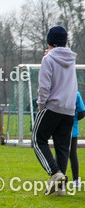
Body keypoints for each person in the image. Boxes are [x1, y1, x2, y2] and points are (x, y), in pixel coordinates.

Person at [31, 27, 77, 194]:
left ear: (49, 41)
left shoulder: (48, 59)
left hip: (52, 106)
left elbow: (44, 87)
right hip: (68, 108)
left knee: (37, 140)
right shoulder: (71, 59)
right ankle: (60, 188)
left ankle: (54, 173)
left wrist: (41, 106)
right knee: (62, 147)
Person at [69, 91, 85, 191]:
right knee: (72, 154)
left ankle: (59, 179)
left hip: (60, 130)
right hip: (72, 129)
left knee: (61, 153)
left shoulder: (56, 91)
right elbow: (82, 112)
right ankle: (75, 180)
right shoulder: (75, 93)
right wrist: (74, 119)